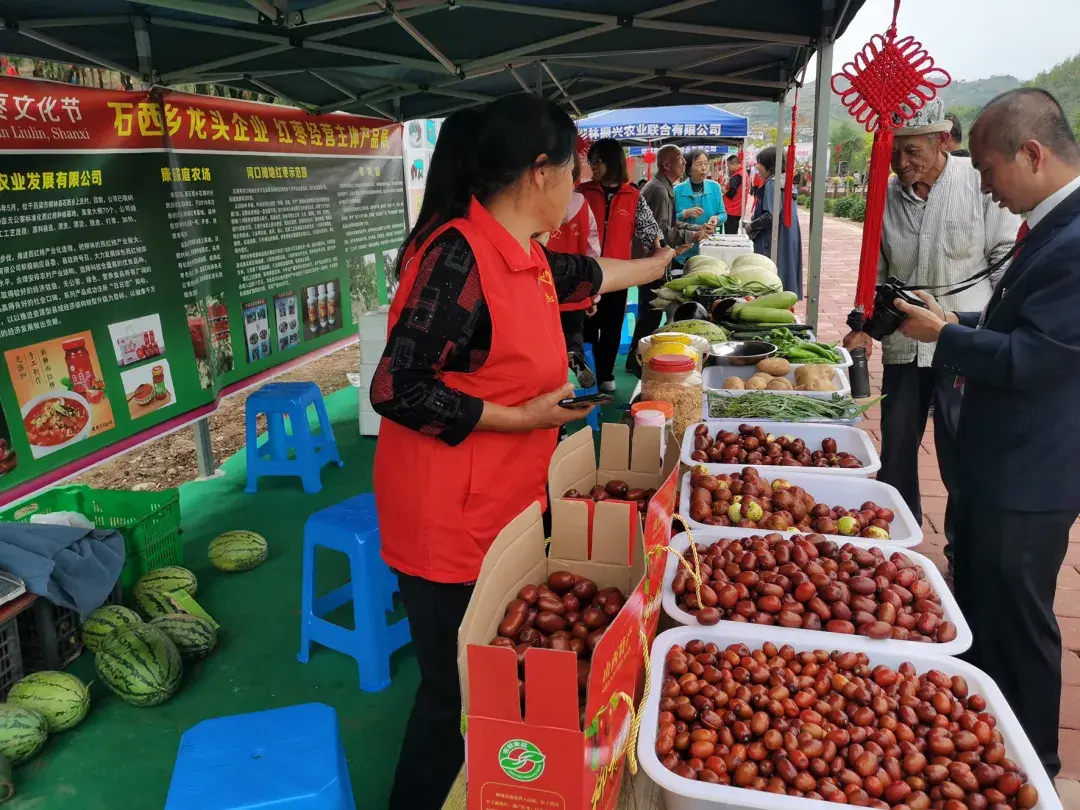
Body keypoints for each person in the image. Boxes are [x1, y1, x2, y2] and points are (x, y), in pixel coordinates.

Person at [370, 95, 674, 810]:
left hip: (499, 501)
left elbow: (587, 278)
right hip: (445, 515)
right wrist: (521, 417)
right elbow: (397, 386)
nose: (581, 183)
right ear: (540, 173)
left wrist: (660, 265)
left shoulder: (523, 252)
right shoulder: (456, 256)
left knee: (485, 677)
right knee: (453, 691)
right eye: (575, 170)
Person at [893, 87, 1080, 780]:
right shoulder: (1054, 227)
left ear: (1032, 154)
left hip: (1031, 471)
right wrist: (962, 325)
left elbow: (1037, 360)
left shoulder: (1075, 239)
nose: (987, 189)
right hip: (1004, 461)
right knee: (983, 602)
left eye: (989, 171)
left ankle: (1033, 763)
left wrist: (946, 337)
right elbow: (1021, 333)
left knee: (1018, 619)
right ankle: (984, 735)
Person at [842, 99, 1019, 573]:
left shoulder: (977, 185)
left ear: (942, 141)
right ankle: (896, 542)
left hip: (963, 338)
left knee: (960, 448)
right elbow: (873, 270)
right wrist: (862, 326)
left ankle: (964, 552)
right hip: (904, 341)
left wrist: (974, 321)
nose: (902, 163)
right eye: (894, 153)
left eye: (912, 150)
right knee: (897, 444)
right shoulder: (886, 194)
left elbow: (1006, 255)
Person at [579, 137, 664, 393]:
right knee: (587, 328)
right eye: (591, 161)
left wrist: (661, 255)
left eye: (598, 161)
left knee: (612, 326)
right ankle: (587, 375)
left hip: (618, 274)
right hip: (586, 272)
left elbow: (649, 230)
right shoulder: (581, 193)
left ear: (613, 162)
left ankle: (606, 373)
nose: (593, 166)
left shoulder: (633, 196)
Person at [624, 145, 713, 376]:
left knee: (651, 309)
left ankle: (637, 357)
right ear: (665, 165)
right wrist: (691, 234)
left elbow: (669, 226)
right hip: (650, 260)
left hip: (655, 259)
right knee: (651, 309)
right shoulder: (659, 190)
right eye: (680, 159)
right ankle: (637, 360)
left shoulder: (664, 187)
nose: (685, 163)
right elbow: (661, 231)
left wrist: (695, 229)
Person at [548, 152, 602, 388]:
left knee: (546, 339)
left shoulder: (538, 205)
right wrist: (593, 295)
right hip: (577, 287)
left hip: (543, 287)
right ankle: (573, 352)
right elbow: (593, 250)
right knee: (573, 331)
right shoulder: (582, 204)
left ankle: (554, 377)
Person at [746, 146, 803, 298]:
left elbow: (771, 215)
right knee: (786, 269)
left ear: (769, 164)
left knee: (772, 273)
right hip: (788, 233)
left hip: (775, 236)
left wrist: (751, 226)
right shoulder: (786, 181)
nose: (757, 167)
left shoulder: (773, 183)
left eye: (759, 163)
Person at [673, 149, 725, 265]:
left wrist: (717, 219)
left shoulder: (715, 187)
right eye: (699, 164)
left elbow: (723, 214)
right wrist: (684, 214)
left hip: (710, 247)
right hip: (684, 251)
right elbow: (669, 221)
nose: (704, 168)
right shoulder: (677, 190)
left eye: (706, 164)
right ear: (689, 169)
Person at [721, 154, 745, 234]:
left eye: (729, 166)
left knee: (730, 234)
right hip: (738, 208)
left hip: (732, 209)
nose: (728, 168)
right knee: (733, 232)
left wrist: (723, 189)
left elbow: (731, 194)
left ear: (734, 164)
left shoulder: (736, 176)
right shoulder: (743, 173)